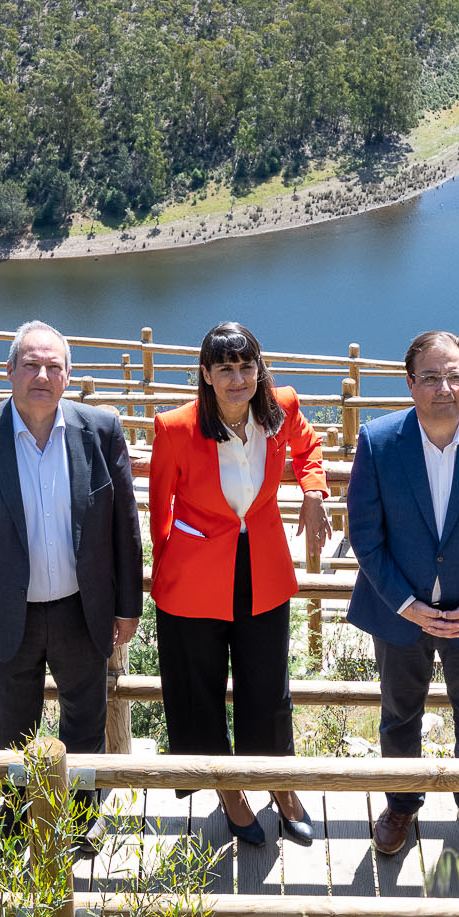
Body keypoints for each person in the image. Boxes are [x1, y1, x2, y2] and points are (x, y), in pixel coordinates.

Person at [0, 320, 143, 854]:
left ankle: (80, 817)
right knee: (8, 722)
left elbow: (126, 525)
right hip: (7, 613)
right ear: (8, 371)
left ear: (69, 376)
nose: (42, 375)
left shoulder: (101, 430)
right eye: (30, 364)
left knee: (84, 716)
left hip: (83, 607)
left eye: (54, 366)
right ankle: (14, 813)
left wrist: (128, 608)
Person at [344, 330, 459, 869]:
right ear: (410, 383)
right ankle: (401, 804)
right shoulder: (378, 442)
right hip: (399, 613)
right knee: (399, 716)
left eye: (454, 376)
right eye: (430, 376)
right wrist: (404, 603)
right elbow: (365, 534)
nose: (443, 388)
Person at [149, 322, 331, 847]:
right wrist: (166, 572)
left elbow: (309, 448)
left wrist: (313, 491)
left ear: (259, 369)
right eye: (224, 368)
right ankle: (228, 788)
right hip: (193, 576)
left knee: (267, 685)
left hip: (263, 566)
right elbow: (160, 505)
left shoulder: (282, 406)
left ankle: (279, 782)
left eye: (245, 366)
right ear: (205, 374)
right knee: (197, 690)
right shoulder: (176, 427)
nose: (237, 379)